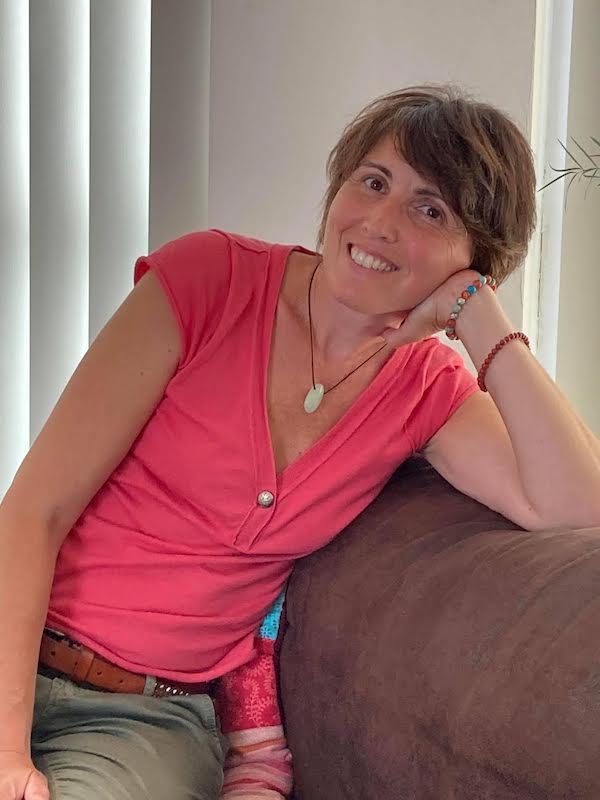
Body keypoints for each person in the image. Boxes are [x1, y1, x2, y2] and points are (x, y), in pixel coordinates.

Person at [1, 83, 600, 800]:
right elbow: (33, 511)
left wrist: (478, 314)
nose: (379, 222)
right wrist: (8, 755)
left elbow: (575, 507)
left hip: (142, 723)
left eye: (430, 209)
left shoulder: (427, 391)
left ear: (475, 256)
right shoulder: (208, 281)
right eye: (372, 182)